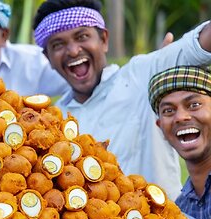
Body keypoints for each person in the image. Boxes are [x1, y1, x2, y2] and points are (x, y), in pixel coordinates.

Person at [32, 0, 211, 201]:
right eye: (58, 44)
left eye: (82, 36)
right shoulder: (52, 120)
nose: (73, 51)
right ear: (48, 58)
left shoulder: (142, 73)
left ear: (104, 40)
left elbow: (198, 45)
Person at [149, 65, 211, 219]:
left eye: (193, 105)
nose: (181, 117)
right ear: (161, 127)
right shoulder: (180, 210)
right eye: (168, 110)